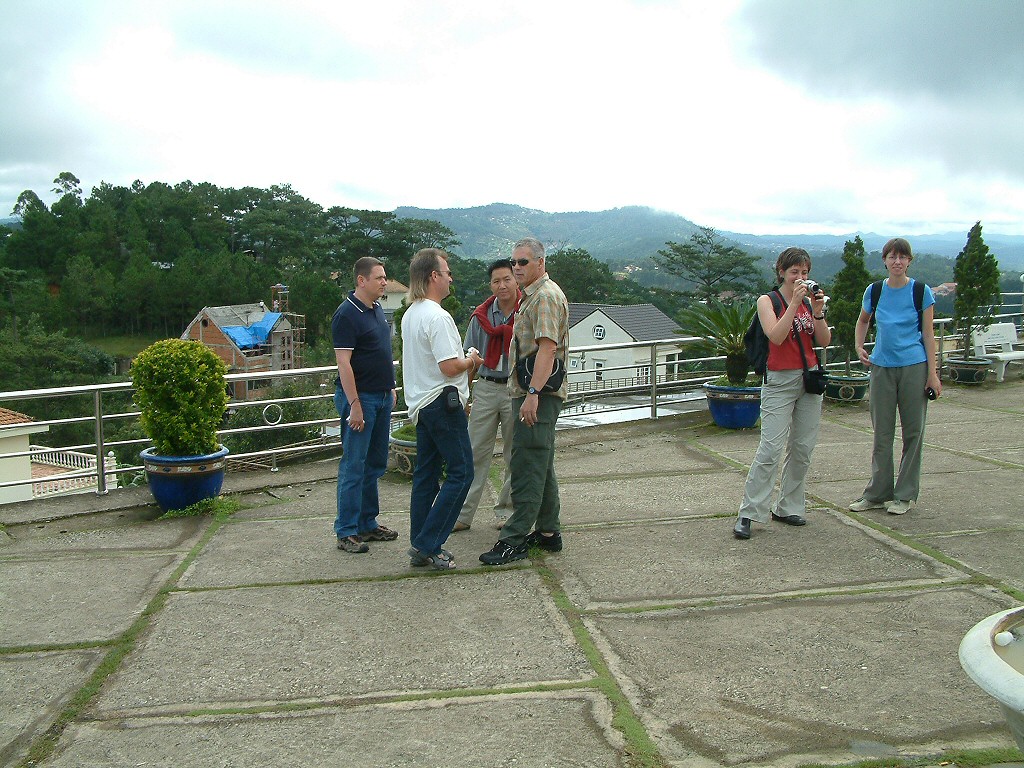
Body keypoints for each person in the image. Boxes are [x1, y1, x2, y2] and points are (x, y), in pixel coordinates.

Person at [480, 237, 569, 565]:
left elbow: (547, 348)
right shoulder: (533, 296)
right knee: (540, 464)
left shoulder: (544, 297)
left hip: (538, 395)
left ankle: (513, 539)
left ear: (540, 263)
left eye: (523, 262)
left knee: (526, 464)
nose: (516, 267)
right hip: (532, 393)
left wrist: (532, 394)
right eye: (514, 262)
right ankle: (548, 532)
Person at [734, 247, 832, 540]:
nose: (800, 278)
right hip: (779, 380)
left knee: (802, 448)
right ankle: (750, 512)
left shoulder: (809, 303)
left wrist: (817, 312)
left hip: (809, 379)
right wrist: (794, 304)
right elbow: (775, 335)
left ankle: (788, 506)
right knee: (771, 448)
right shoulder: (768, 300)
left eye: (804, 273)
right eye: (794, 273)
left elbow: (824, 341)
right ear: (781, 272)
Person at [401, 248, 482, 570]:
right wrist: (473, 360)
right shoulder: (438, 316)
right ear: (433, 276)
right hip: (442, 403)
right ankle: (429, 543)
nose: (451, 277)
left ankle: (420, 540)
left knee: (426, 475)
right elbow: (450, 366)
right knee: (462, 472)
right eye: (446, 272)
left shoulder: (411, 314)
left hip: (421, 405)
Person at [849, 237, 941, 516]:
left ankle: (904, 495)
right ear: (885, 260)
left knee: (913, 432)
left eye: (902, 257)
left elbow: (928, 334)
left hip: (914, 366)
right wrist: (859, 345)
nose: (897, 262)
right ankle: (877, 493)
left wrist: (933, 375)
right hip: (881, 367)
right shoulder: (875, 290)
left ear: (909, 261)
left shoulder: (921, 292)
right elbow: (863, 319)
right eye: (892, 257)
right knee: (882, 433)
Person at [332, 257, 399, 553]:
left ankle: (367, 523)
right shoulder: (347, 314)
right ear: (361, 280)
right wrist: (354, 404)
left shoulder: (376, 309)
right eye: (379, 278)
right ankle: (346, 530)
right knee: (354, 465)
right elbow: (343, 363)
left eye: (384, 277)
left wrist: (391, 387)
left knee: (374, 463)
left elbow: (383, 352)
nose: (384, 282)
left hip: (381, 396)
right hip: (362, 400)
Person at [452, 258, 521, 533]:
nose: (502, 285)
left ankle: (508, 511)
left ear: (516, 280)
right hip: (487, 386)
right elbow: (468, 357)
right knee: (473, 452)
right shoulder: (481, 317)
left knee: (515, 454)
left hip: (516, 388)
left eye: (507, 279)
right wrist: (464, 397)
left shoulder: (526, 311)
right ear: (490, 285)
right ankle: (462, 514)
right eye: (496, 281)